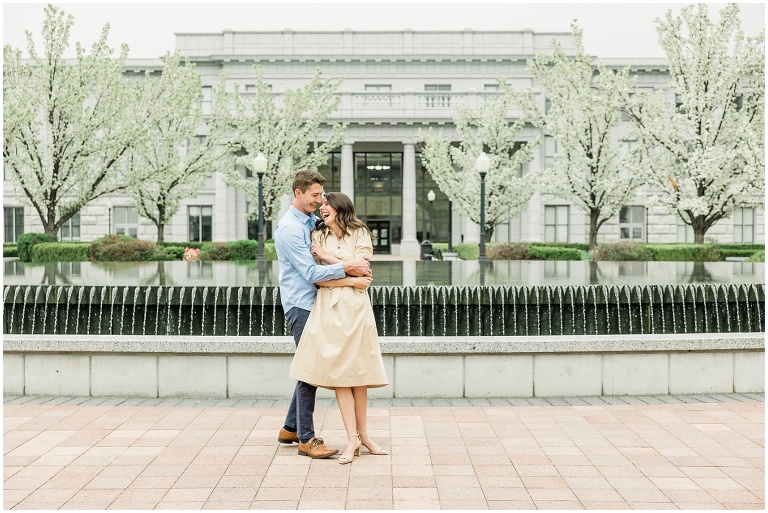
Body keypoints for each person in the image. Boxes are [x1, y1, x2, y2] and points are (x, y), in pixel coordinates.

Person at [274, 170, 372, 459]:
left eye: (321, 196)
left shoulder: (310, 223)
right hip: (301, 304)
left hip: (315, 303)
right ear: (298, 193)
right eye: (315, 196)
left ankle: (291, 428)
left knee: (311, 366)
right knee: (310, 371)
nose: (319, 202)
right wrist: (349, 268)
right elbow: (310, 272)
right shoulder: (291, 229)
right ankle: (306, 439)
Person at [289, 191, 389, 465]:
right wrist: (349, 278)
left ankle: (364, 436)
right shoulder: (317, 236)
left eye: (326, 203)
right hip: (330, 308)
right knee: (340, 374)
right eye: (320, 203)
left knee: (359, 373)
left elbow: (363, 271)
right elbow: (318, 280)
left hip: (356, 310)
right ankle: (352, 438)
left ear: (340, 207)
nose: (322, 208)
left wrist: (328, 258)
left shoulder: (360, 232)